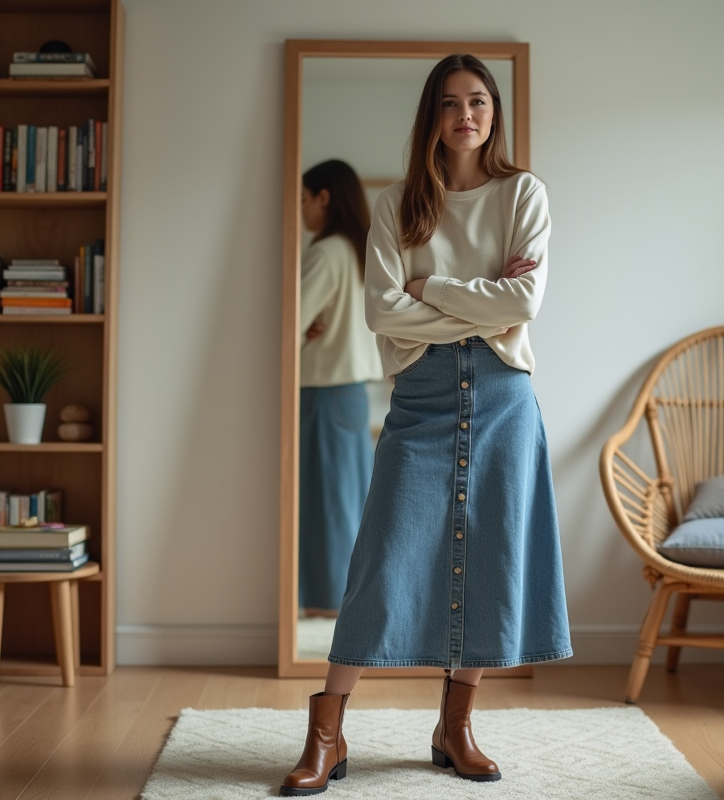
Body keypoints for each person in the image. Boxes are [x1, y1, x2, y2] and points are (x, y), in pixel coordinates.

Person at [280, 55, 571, 796]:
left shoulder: (522, 194)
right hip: (421, 397)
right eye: (450, 103)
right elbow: (383, 310)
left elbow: (523, 304)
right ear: (432, 117)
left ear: (494, 112)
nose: (465, 115)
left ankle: (455, 726)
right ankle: (327, 731)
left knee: (490, 557)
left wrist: (431, 289)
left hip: (504, 395)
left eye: (478, 101)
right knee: (382, 558)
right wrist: (479, 297)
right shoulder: (398, 204)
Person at [298, 159, 383, 618]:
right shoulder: (356, 250)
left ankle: (327, 603)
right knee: (345, 499)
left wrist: (303, 327)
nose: (301, 210)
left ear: (324, 197)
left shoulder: (326, 252)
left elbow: (289, 326)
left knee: (323, 503)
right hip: (349, 392)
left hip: (322, 391)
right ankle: (341, 600)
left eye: (304, 199)